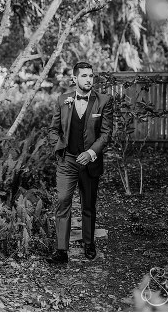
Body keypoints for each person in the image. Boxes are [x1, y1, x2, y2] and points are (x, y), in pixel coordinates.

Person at [46, 61, 113, 264]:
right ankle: (61, 251)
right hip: (67, 161)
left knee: (88, 205)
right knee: (63, 202)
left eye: (91, 76)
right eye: (84, 76)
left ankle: (89, 243)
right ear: (74, 79)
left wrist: (91, 152)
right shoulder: (63, 100)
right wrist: (59, 150)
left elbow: (106, 133)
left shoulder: (104, 101)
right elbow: (53, 130)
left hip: (90, 163)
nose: (89, 79)